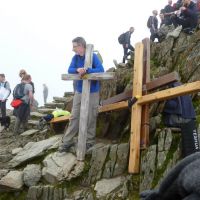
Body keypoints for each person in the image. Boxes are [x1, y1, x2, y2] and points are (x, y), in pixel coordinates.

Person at [59, 36, 104, 152]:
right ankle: (67, 142)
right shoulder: (75, 58)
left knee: (91, 116)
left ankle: (89, 141)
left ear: (81, 46)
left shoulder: (92, 56)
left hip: (93, 91)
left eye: (74, 46)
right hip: (79, 91)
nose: (73, 49)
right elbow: (70, 69)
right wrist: (77, 70)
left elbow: (101, 69)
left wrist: (87, 70)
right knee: (74, 116)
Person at [162, 82, 199, 157]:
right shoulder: (182, 87)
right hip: (190, 120)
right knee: (194, 147)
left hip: (181, 118)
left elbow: (173, 105)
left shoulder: (173, 88)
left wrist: (164, 106)